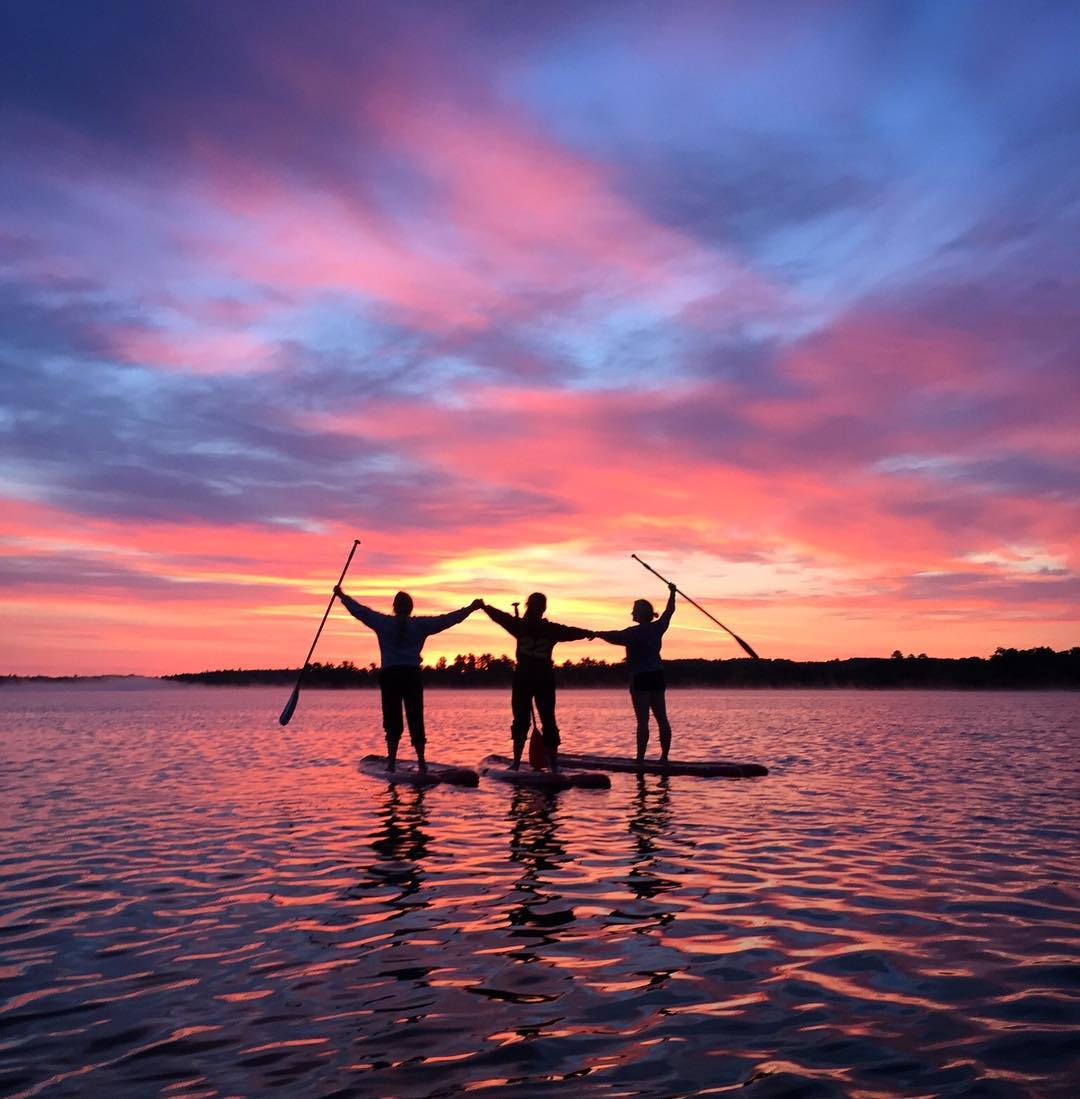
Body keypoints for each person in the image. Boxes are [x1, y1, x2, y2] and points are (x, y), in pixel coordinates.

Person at [335, 586, 482, 772]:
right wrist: (470, 608)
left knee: (392, 719)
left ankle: (391, 763)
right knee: (415, 717)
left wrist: (342, 596)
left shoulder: (383, 622)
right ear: (411, 608)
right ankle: (421, 762)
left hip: (391, 676)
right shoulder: (419, 625)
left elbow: (361, 612)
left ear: (394, 607)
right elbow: (447, 620)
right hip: (411, 675)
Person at [481, 592, 593, 772]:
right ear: (544, 609)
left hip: (523, 679)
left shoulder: (519, 625)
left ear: (527, 606)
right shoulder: (551, 629)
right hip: (544, 678)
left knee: (521, 721)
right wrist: (589, 633)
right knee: (548, 720)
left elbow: (500, 617)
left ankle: (516, 763)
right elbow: (571, 631)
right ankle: (553, 765)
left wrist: (484, 607)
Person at [594, 583, 677, 764]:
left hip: (641, 678)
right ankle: (664, 757)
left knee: (643, 721)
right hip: (657, 675)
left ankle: (640, 759)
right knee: (662, 718)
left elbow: (614, 636)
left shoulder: (632, 633)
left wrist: (597, 634)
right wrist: (672, 593)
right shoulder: (658, 627)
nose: (631, 612)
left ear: (640, 613)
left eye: (634, 610)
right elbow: (669, 611)